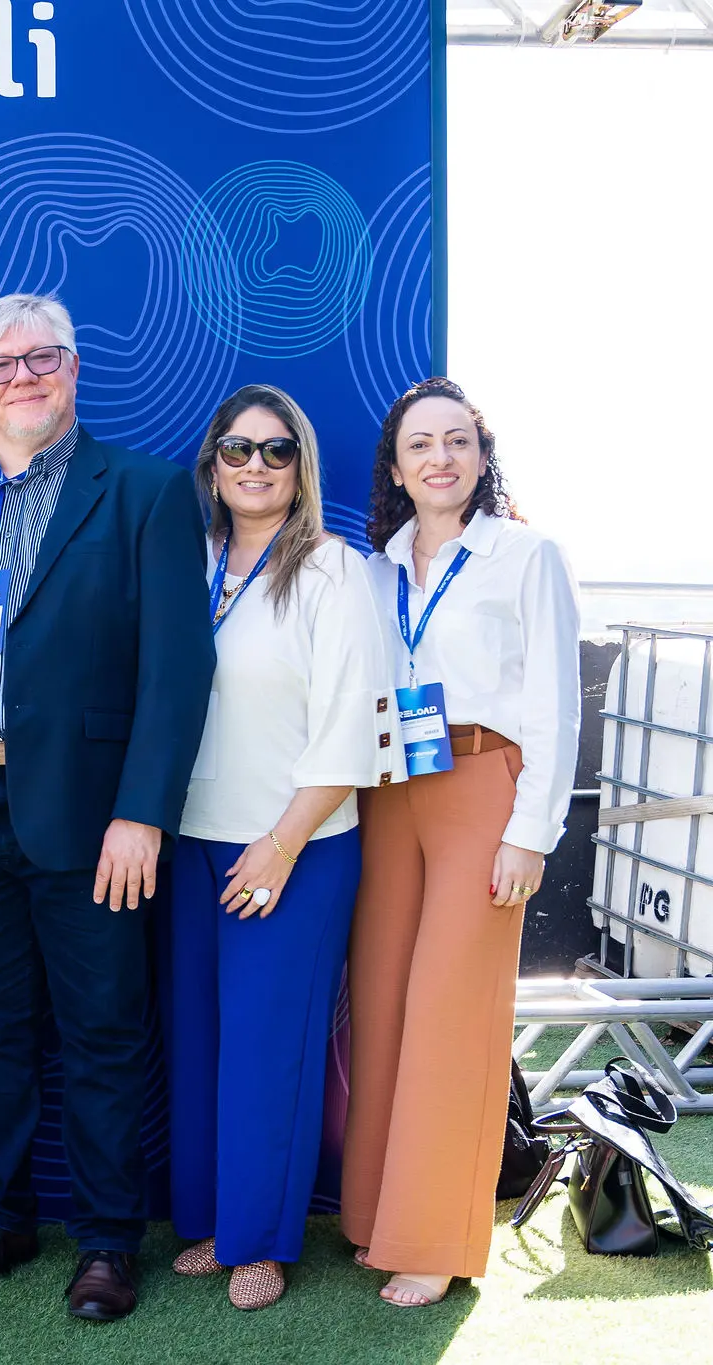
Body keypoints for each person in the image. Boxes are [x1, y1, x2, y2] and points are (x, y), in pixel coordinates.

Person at [0, 293, 212, 1322]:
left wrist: (142, 812)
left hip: (90, 815)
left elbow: (176, 668)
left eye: (42, 357)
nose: (22, 377)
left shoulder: (146, 492)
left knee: (103, 1033)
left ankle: (107, 1241)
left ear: (73, 368)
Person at [341, 377, 579, 1307]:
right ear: (395, 469)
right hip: (388, 789)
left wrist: (532, 834)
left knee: (452, 1016)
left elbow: (558, 706)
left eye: (457, 441)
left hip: (486, 786)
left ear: (482, 456)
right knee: (385, 1005)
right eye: (419, 445)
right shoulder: (375, 566)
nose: (439, 458)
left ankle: (437, 1237)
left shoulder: (527, 554)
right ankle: (373, 1216)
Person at [158, 385, 388, 1311]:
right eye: (237, 450)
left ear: (302, 468)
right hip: (191, 841)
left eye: (276, 450)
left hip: (293, 845)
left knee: (268, 1047)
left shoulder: (333, 570)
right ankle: (218, 1223)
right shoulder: (190, 561)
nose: (255, 465)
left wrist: (283, 842)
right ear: (212, 465)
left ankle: (264, 1242)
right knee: (202, 1042)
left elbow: (352, 728)